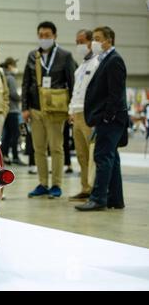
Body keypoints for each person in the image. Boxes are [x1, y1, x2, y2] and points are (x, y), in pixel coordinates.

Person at [75, 26, 128, 211]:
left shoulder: (114, 61)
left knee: (102, 157)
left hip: (111, 120)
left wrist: (107, 117)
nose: (94, 43)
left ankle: (98, 199)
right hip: (108, 118)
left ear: (109, 40)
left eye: (97, 38)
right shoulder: (106, 60)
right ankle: (115, 199)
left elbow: (116, 94)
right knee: (112, 159)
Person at [21, 21, 76, 199]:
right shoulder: (32, 56)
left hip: (56, 111)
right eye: (41, 35)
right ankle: (43, 183)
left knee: (56, 148)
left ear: (55, 36)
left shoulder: (65, 56)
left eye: (47, 35)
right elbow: (26, 83)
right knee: (38, 149)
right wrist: (25, 108)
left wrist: (71, 109)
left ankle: (56, 184)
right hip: (35, 110)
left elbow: (72, 83)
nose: (44, 38)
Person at [68, 29, 100, 201]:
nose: (79, 45)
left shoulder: (97, 63)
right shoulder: (80, 66)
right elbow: (76, 91)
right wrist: (71, 110)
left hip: (89, 114)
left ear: (90, 43)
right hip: (77, 114)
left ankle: (95, 189)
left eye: (82, 41)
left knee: (92, 154)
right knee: (81, 154)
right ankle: (85, 188)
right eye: (77, 42)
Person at [0, 57, 25, 165]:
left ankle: (4, 155)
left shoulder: (1, 77)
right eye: (14, 65)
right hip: (13, 110)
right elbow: (13, 94)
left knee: (7, 135)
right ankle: (15, 156)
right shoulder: (10, 78)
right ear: (10, 65)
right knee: (15, 134)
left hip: (5, 110)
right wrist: (22, 98)